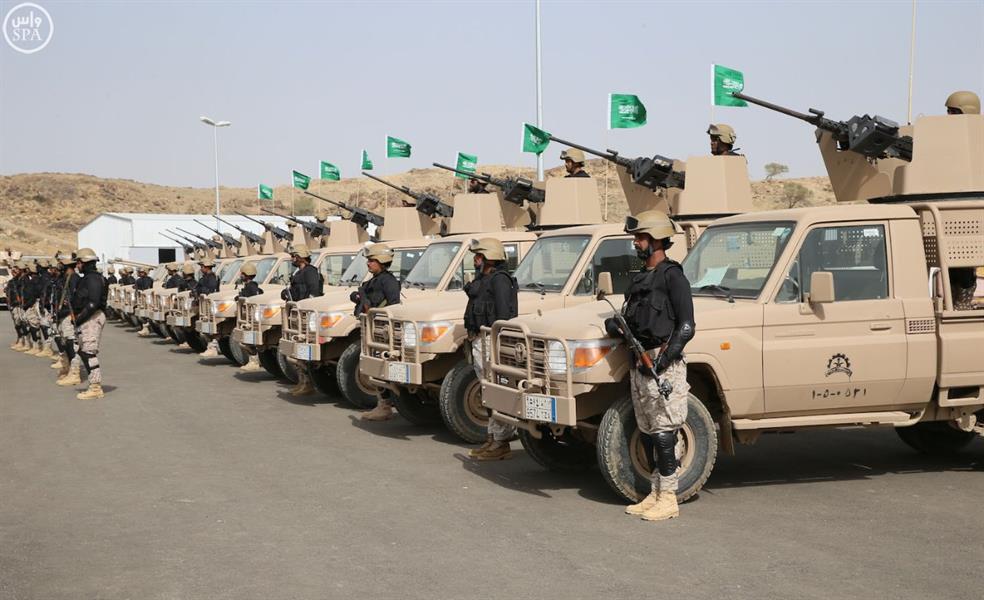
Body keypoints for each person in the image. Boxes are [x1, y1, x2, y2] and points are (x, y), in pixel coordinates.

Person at [613, 210, 695, 522]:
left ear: (657, 239)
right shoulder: (640, 279)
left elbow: (686, 327)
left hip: (662, 366)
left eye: (641, 237)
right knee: (648, 431)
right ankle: (655, 492)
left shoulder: (673, 276)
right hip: (640, 365)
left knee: (664, 433)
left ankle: (669, 497)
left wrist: (663, 360)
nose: (636, 242)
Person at [464, 238, 519, 461]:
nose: (475, 260)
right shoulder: (483, 279)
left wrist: (498, 343)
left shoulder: (500, 280)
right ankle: (492, 438)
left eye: (479, 256)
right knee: (486, 391)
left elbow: (504, 316)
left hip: (491, 342)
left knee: (495, 390)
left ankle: (501, 442)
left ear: (490, 257)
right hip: (479, 339)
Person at [354, 244, 402, 421]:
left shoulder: (388, 281)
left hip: (382, 330)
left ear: (381, 261)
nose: (368, 263)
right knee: (374, 366)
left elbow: (394, 305)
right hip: (373, 327)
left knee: (381, 367)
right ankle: (382, 404)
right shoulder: (375, 280)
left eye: (372, 260)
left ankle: (385, 406)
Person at [281, 244, 324, 394]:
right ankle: (303, 381)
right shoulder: (299, 272)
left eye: (294, 256)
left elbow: (314, 292)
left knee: (304, 349)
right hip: (296, 313)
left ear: (300, 257)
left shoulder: (310, 271)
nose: (292, 259)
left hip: (305, 315)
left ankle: (308, 384)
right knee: (296, 349)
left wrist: (305, 309)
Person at [71, 248, 108, 400]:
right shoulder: (87, 278)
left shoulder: (93, 279)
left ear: (85, 262)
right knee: (83, 351)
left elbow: (93, 303)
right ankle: (93, 384)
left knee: (89, 352)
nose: (77, 265)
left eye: (79, 262)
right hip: (86, 317)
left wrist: (79, 319)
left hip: (91, 317)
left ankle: (95, 387)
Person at [54, 254, 83, 386]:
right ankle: (69, 369)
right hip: (63, 314)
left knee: (72, 344)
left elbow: (74, 298)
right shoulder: (65, 278)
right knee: (65, 343)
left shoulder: (74, 278)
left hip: (69, 314)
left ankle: (75, 372)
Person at [236, 262, 267, 373]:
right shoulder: (251, 286)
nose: (240, 275)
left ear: (246, 274)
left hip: (252, 318)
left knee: (248, 340)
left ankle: (254, 361)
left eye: (242, 273)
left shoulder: (252, 287)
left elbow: (254, 299)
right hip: (249, 317)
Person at [195, 257, 222, 357]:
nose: (201, 269)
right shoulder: (205, 277)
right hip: (204, 305)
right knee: (205, 327)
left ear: (206, 267)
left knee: (210, 327)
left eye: (202, 267)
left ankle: (213, 348)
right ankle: (211, 347)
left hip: (209, 305)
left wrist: (200, 291)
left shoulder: (212, 278)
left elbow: (211, 291)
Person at [20, 262, 44, 355]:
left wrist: (27, 305)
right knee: (33, 326)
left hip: (32, 305)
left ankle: (37, 346)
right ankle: (36, 345)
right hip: (31, 304)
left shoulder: (35, 281)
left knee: (34, 326)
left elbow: (33, 295)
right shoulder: (34, 280)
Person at [135, 267, 155, 337]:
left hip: (148, 298)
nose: (141, 273)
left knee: (147, 313)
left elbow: (150, 288)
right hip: (141, 298)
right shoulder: (138, 280)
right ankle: (144, 328)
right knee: (141, 314)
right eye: (140, 272)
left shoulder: (150, 280)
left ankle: (147, 328)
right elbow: (137, 290)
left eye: (142, 272)